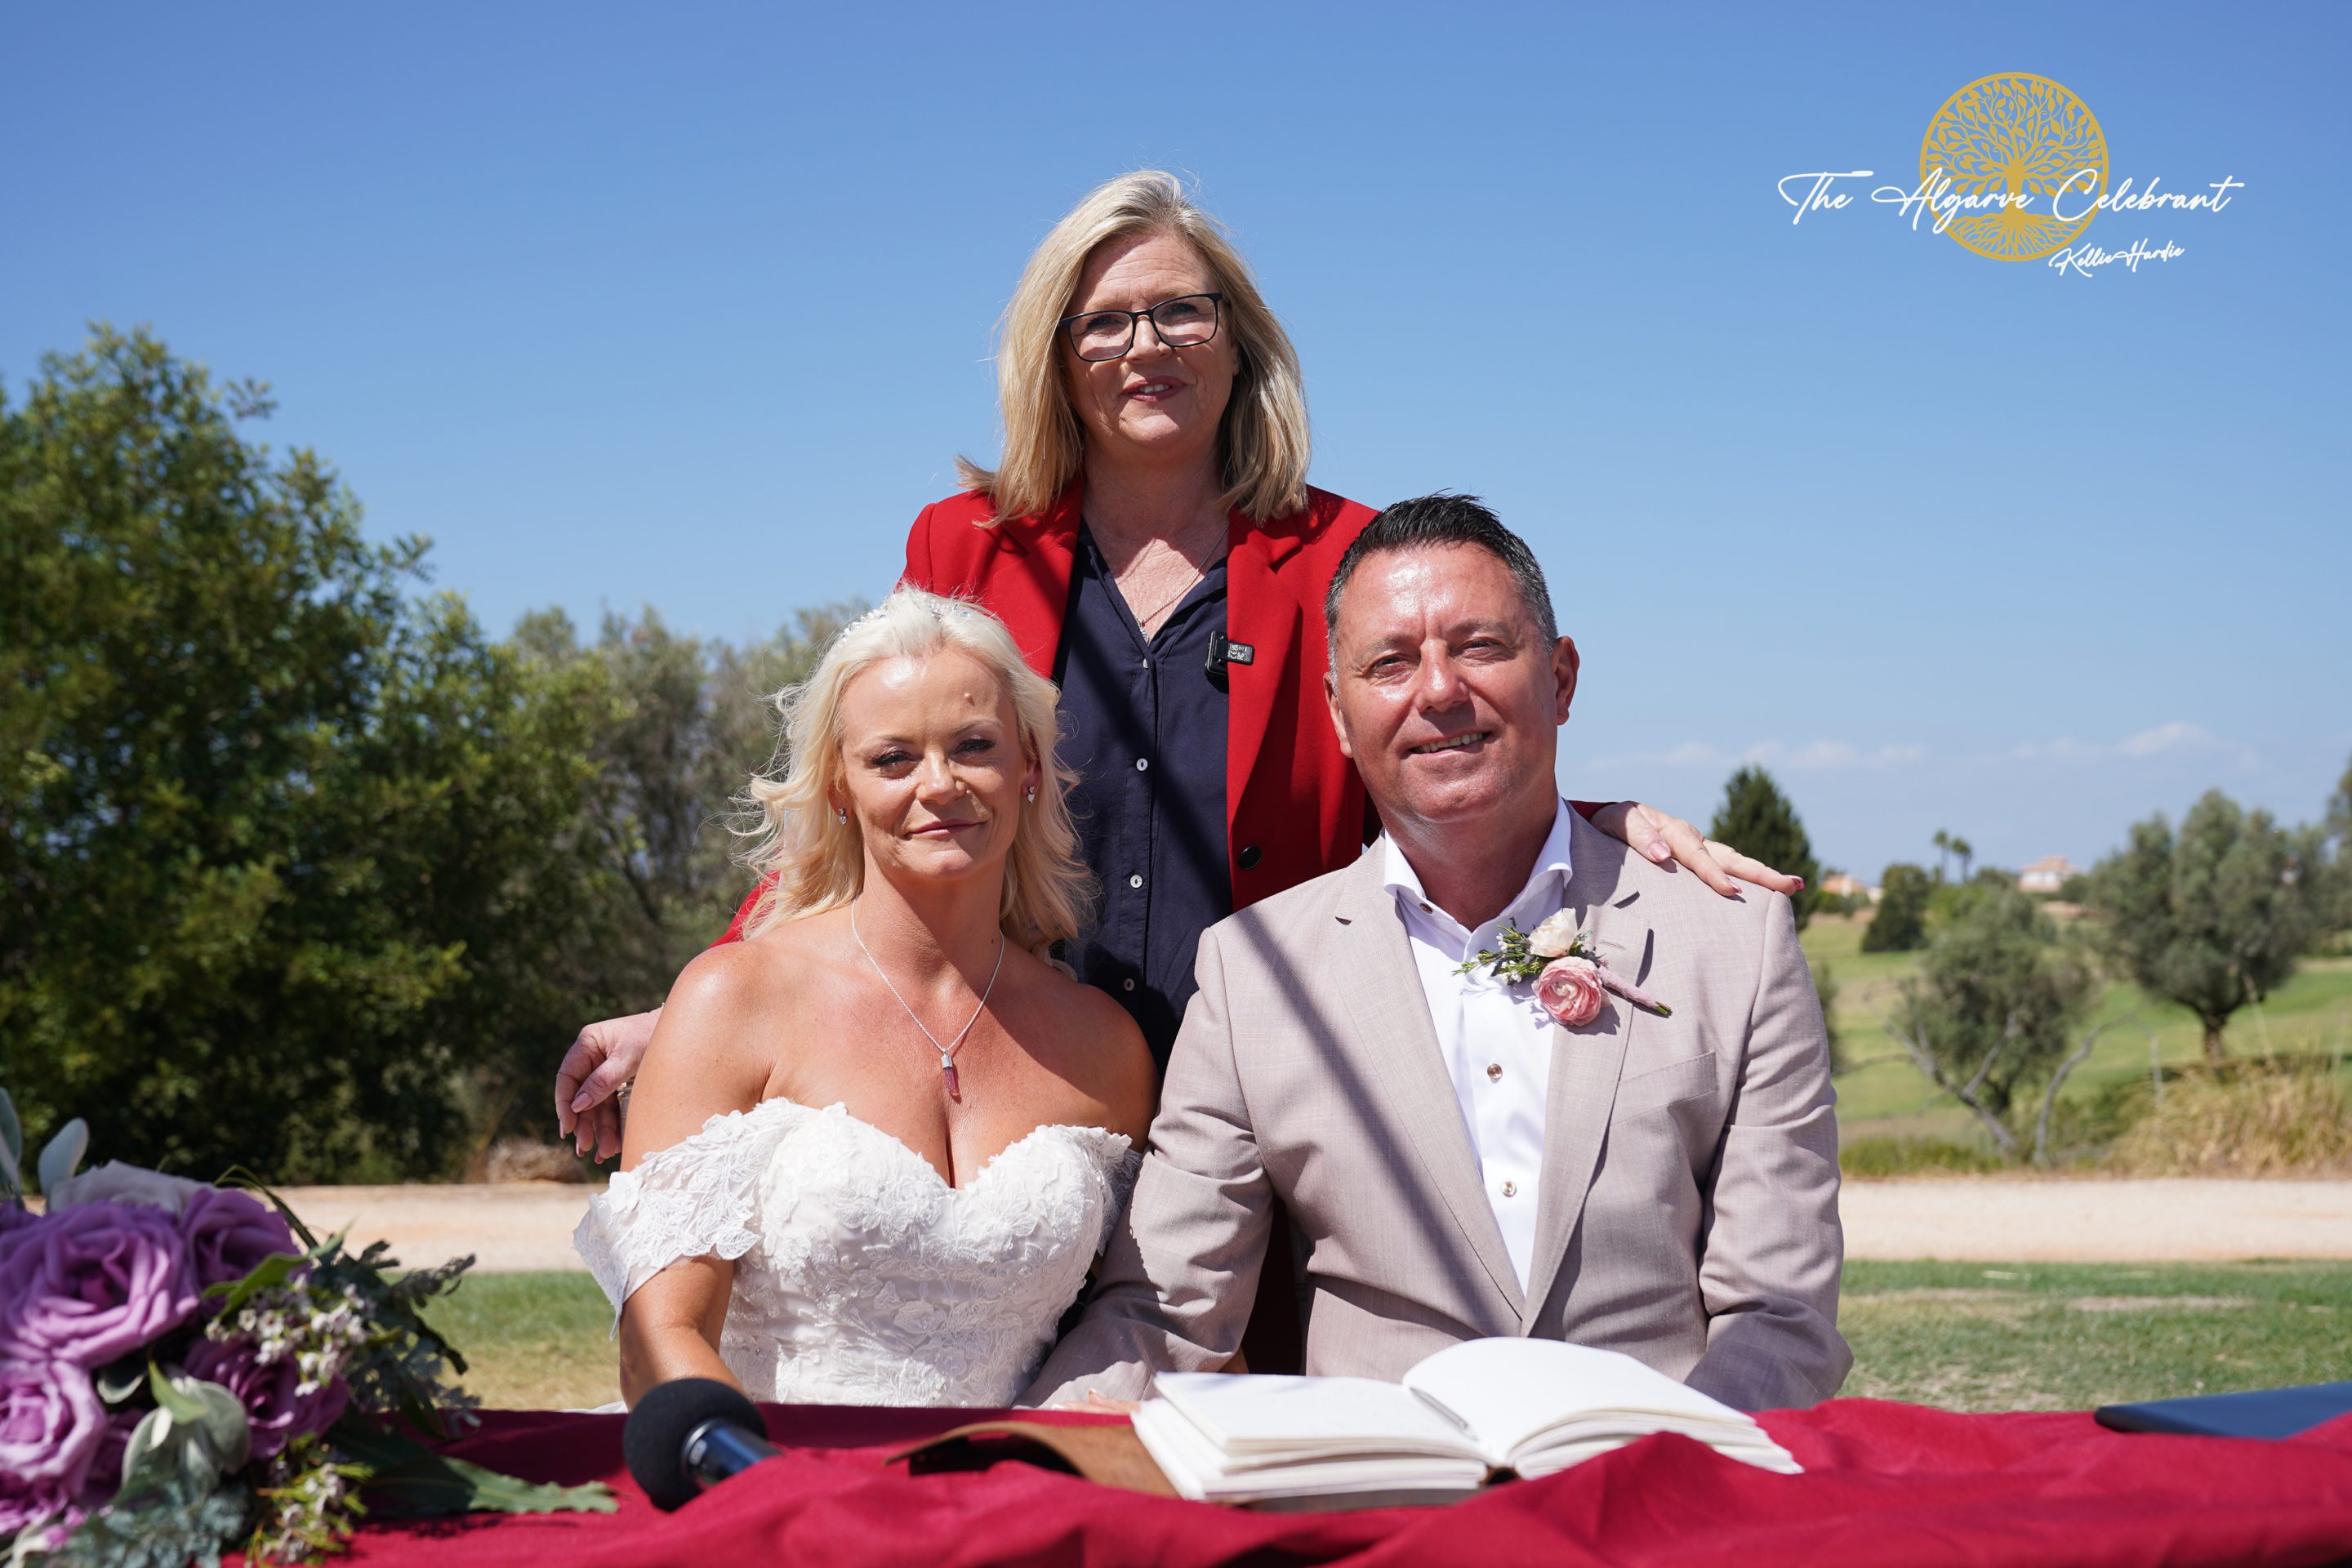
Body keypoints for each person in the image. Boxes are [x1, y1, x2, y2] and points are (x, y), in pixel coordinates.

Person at [556, 172, 1800, 1370]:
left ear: (1238, 340)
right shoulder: (965, 546)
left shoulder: (1342, 551)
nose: (1144, 344)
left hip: (1271, 1101)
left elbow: (1438, 747)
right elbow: (888, 792)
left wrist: (1600, 822)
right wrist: (721, 1001)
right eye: (1103, 320)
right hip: (1031, 1094)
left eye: (1179, 310)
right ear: (1055, 352)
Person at [1026, 496, 1848, 1414]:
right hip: (1382, 1518)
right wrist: (1001, 1459)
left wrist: (1680, 1493)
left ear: (1563, 677)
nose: (1439, 691)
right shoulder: (1253, 973)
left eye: (1481, 647)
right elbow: (1170, 1309)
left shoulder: (1732, 941)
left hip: (1661, 1508)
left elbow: (1779, 1315)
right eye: (1389, 663)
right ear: (1338, 715)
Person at [574, 589, 1156, 1407]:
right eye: (893, 759)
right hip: (770, 1496)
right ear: (840, 787)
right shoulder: (731, 1003)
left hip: (1014, 1503)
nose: (940, 783)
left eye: (974, 745)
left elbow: (1133, 1325)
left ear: (1028, 764)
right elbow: (658, 1341)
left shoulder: (1105, 1047)